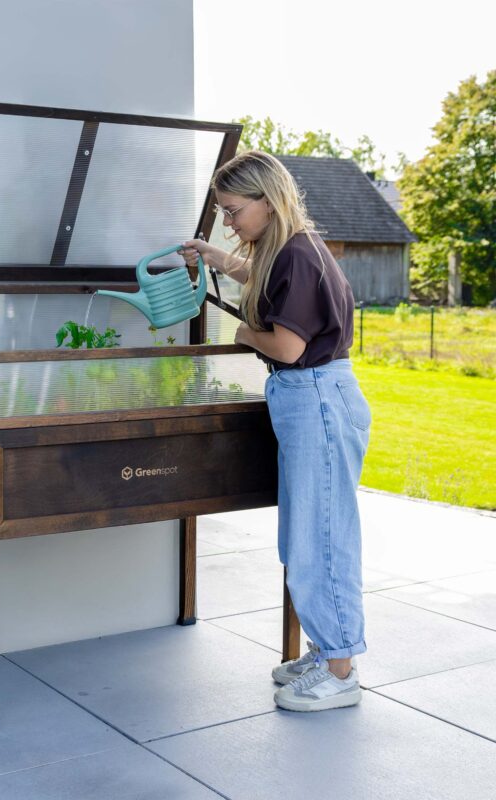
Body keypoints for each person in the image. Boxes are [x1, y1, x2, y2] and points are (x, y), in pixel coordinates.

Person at [181, 150, 371, 712]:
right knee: (303, 535)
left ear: (267, 201)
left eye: (233, 210)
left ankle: (340, 671)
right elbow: (260, 278)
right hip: (309, 398)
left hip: (316, 398)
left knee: (322, 538)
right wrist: (215, 257)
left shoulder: (298, 256)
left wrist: (244, 333)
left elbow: (286, 347)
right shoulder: (289, 249)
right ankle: (328, 649)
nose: (228, 222)